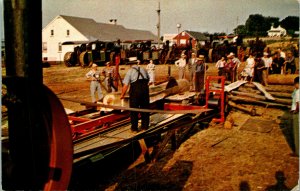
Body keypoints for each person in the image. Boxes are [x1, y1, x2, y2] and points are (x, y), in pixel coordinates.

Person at [120, 60, 150, 132]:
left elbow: (126, 85)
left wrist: (122, 95)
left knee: (134, 110)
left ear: (130, 65)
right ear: (137, 63)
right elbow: (148, 80)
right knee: (145, 108)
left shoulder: (130, 71)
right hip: (145, 91)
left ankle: (134, 128)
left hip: (135, 92)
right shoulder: (143, 69)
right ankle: (145, 127)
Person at [290, 76, 299, 156]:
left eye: (295, 84)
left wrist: (296, 111)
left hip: (297, 113)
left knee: (297, 133)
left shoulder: (298, 91)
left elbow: (298, 103)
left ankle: (298, 151)